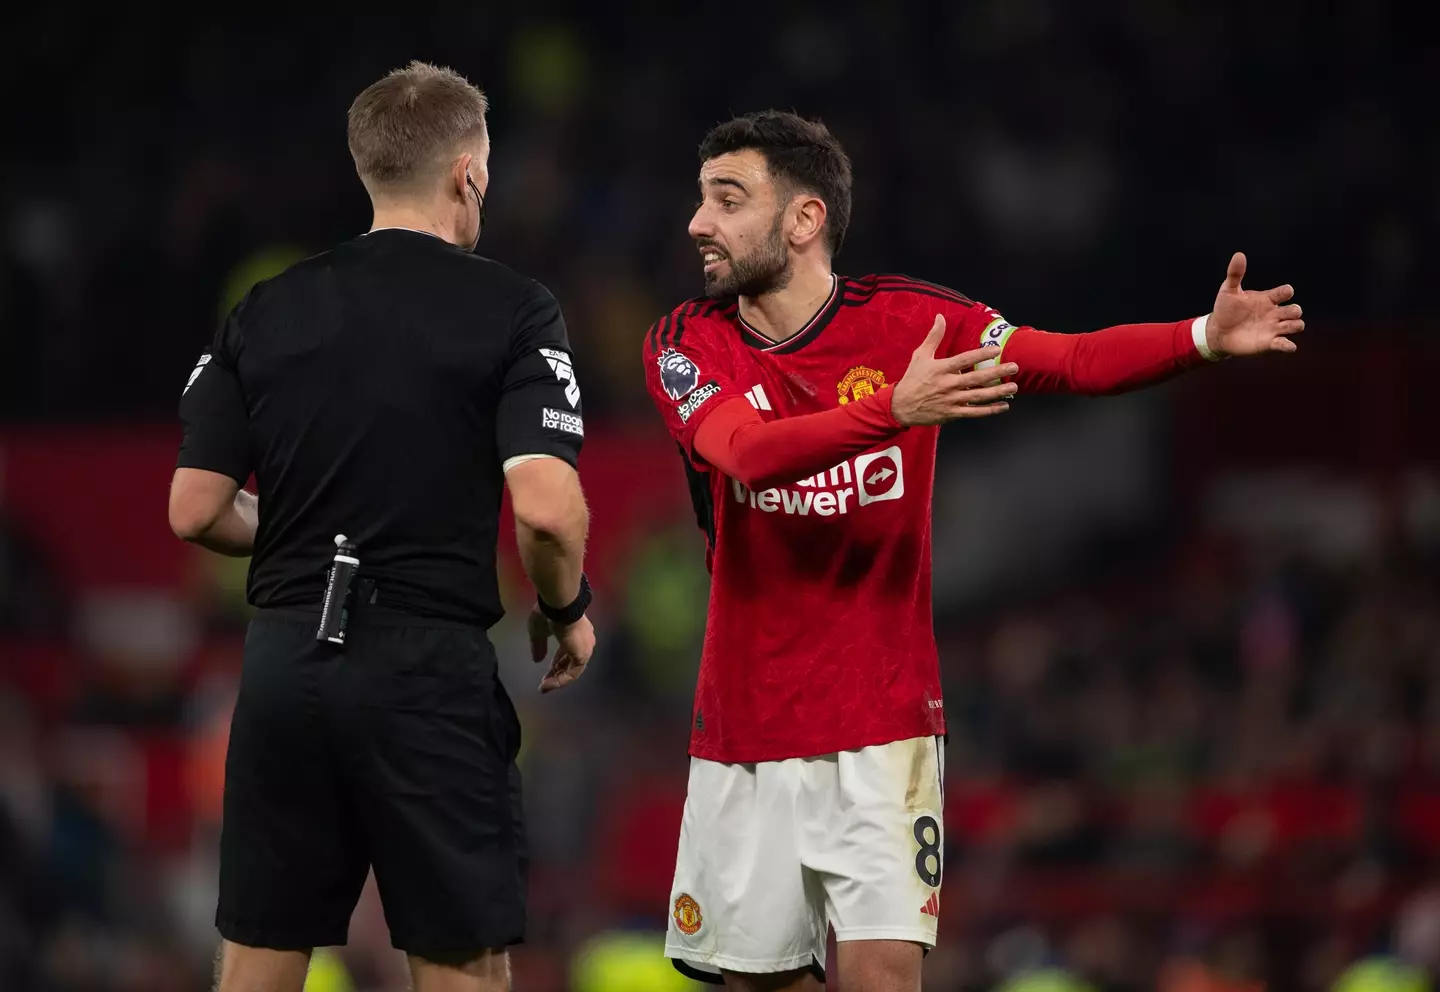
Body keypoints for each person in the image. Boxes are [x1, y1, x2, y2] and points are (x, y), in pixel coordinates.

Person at [640, 110, 1304, 992]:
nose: (699, 223)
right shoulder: (689, 340)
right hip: (743, 732)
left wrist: (1201, 339)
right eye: (700, 200)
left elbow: (1064, 360)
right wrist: (895, 411)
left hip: (882, 726)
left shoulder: (913, 323)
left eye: (727, 200)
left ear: (803, 220)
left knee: (883, 977)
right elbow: (746, 453)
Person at [168, 61, 596, 992]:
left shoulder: (266, 306)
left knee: (257, 959)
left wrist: (300, 542)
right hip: (425, 672)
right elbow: (546, 509)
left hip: (284, 661)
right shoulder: (515, 309)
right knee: (459, 964)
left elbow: (194, 507)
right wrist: (569, 611)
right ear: (469, 174)